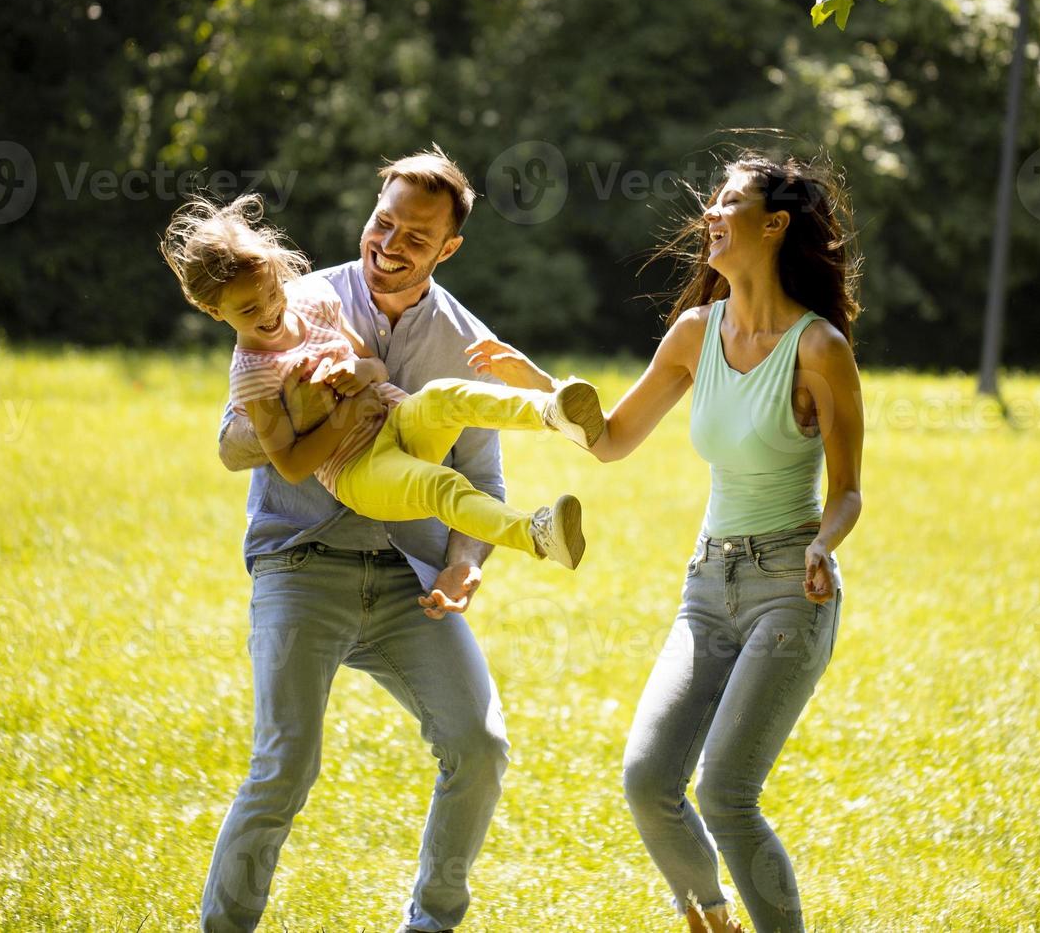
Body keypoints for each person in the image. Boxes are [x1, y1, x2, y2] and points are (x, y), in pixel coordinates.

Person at [467, 153, 865, 933]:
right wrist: (541, 389)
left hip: (791, 582)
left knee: (726, 793)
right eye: (711, 201)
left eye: (730, 202)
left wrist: (823, 545)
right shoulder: (694, 333)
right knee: (649, 779)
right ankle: (713, 918)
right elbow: (611, 439)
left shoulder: (819, 349)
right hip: (708, 584)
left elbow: (847, 490)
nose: (710, 214)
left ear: (775, 224)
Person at [196, 147, 545, 933]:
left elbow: (482, 484)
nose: (389, 244)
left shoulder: (466, 343)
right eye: (382, 222)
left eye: (415, 238)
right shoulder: (288, 303)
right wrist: (302, 412)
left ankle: (431, 922)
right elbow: (229, 445)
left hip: (406, 581)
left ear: (448, 249)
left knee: (480, 748)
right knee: (284, 767)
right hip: (300, 563)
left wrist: (464, 566)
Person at [161, 193, 603, 569]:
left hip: (397, 420)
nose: (269, 311)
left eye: (272, 293)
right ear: (214, 312)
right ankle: (538, 534)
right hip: (359, 470)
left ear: (280, 275)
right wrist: (344, 412)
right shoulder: (253, 375)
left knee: (444, 395)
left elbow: (376, 367)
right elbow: (292, 466)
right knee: (440, 485)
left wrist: (360, 373)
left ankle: (552, 411)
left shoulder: (312, 303)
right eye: (247, 310)